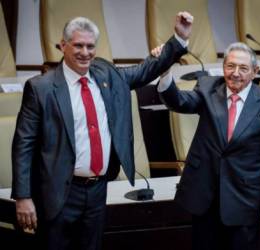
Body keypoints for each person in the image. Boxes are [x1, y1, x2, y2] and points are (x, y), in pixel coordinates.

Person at [11, 12, 193, 250]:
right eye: (78, 45)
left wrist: (177, 39)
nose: (85, 53)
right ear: (62, 46)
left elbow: (146, 70)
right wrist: (23, 197)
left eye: (90, 46)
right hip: (58, 192)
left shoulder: (107, 74)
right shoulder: (41, 88)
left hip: (97, 190)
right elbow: (23, 143)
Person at [155, 42, 260, 250]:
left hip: (245, 200)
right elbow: (177, 101)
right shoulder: (207, 88)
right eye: (230, 66)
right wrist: (165, 71)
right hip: (205, 198)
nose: (235, 73)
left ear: (255, 71)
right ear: (223, 67)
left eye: (243, 68)